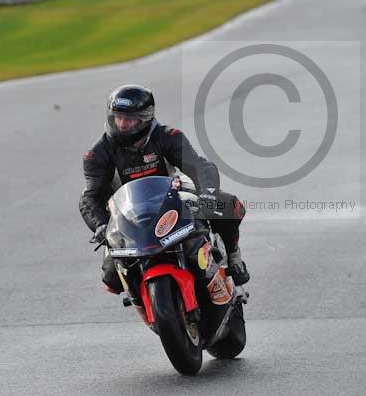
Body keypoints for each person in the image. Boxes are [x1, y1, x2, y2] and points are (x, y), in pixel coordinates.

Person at [80, 85, 250, 295]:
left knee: (230, 206)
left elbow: (199, 166)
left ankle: (233, 258)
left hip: (173, 199)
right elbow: (90, 197)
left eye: (130, 119)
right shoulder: (97, 154)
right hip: (128, 216)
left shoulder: (168, 136)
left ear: (145, 118)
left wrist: (207, 194)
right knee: (111, 279)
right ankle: (141, 300)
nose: (123, 124)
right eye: (118, 117)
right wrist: (100, 226)